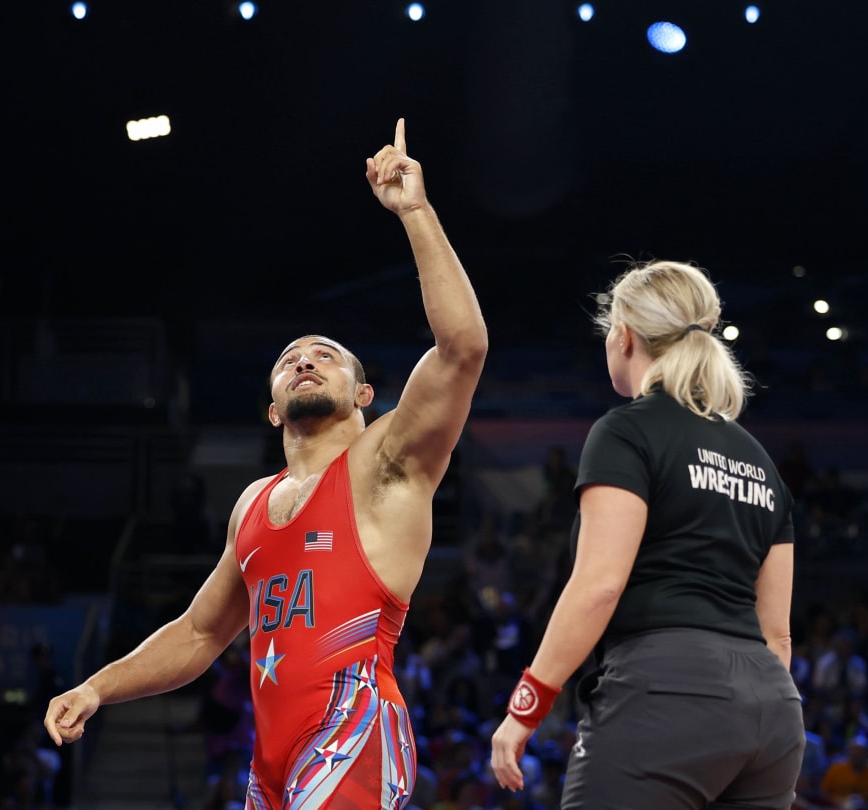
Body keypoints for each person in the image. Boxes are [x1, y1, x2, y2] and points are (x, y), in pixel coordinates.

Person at [43, 118, 487, 809]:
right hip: (271, 760)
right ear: (274, 409)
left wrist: (415, 212)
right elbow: (197, 634)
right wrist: (97, 686)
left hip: (353, 732)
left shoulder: (388, 462)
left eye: (326, 355)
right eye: (289, 359)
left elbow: (461, 348)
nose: (305, 359)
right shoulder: (253, 502)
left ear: (364, 396)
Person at [489, 259, 804, 808]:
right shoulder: (759, 461)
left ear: (623, 335)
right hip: (773, 712)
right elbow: (778, 635)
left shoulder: (625, 431)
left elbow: (599, 585)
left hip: (666, 690)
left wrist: (525, 708)